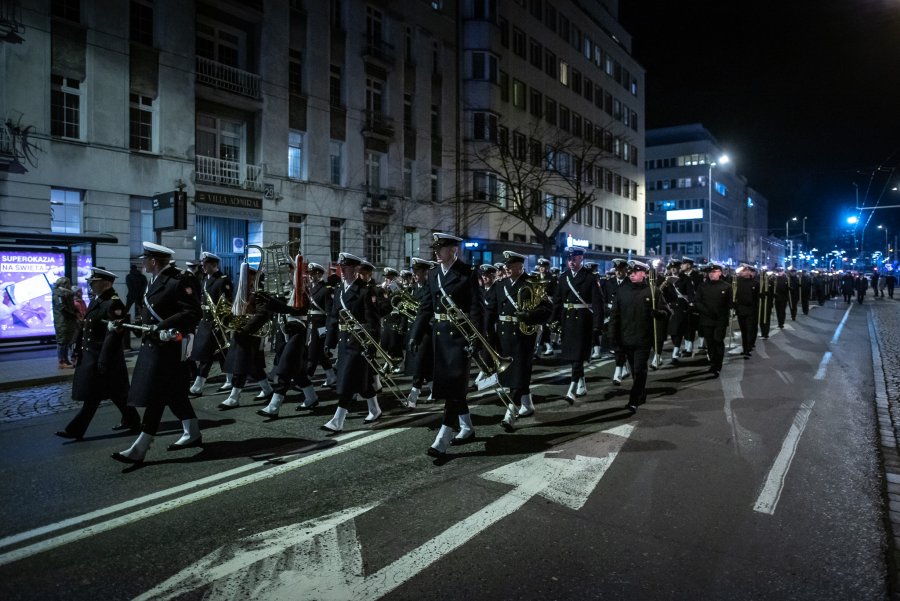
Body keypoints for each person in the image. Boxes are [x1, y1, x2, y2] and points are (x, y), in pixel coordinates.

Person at [112, 242, 203, 464]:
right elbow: (153, 312)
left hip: (168, 349)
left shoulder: (180, 280)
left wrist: (164, 327)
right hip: (154, 346)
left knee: (156, 395)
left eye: (144, 259)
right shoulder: (154, 280)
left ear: (153, 261)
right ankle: (192, 432)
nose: (142, 263)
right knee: (174, 395)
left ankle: (140, 447)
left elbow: (192, 312)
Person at [409, 233, 484, 456]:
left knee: (453, 386)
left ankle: (443, 436)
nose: (436, 252)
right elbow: (426, 308)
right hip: (439, 338)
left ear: (454, 250)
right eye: (435, 249)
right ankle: (468, 428)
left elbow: (475, 309)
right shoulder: (433, 274)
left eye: (441, 248)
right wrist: (416, 333)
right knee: (452, 387)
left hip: (460, 338)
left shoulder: (468, 273)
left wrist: (476, 338)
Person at [56, 268, 140, 440]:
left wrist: (103, 359)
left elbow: (113, 335)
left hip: (104, 357)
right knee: (117, 394)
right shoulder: (99, 300)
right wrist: (78, 348)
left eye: (94, 282)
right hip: (93, 355)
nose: (91, 285)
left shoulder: (113, 303)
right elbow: (86, 327)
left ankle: (75, 430)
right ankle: (132, 420)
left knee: (94, 396)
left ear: (106, 284)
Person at [485, 251, 552, 425]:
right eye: (506, 265)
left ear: (520, 266)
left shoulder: (532, 283)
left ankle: (510, 412)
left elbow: (546, 310)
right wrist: (488, 336)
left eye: (510, 265)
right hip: (503, 335)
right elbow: (491, 312)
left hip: (523, 336)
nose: (506, 268)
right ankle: (527, 404)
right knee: (512, 375)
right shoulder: (500, 285)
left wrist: (529, 315)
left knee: (519, 374)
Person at [320, 252, 382, 432]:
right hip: (343, 340)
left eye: (346, 267)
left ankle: (337, 420)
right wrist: (329, 342)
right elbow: (333, 317)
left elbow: (373, 322)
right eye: (341, 267)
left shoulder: (365, 290)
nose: (343, 271)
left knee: (347, 379)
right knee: (361, 379)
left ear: (356, 269)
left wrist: (371, 345)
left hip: (358, 341)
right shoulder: (339, 289)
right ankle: (375, 409)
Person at [607, 260, 668, 414]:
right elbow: (615, 316)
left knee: (640, 370)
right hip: (626, 337)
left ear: (644, 273)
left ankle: (633, 399)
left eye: (636, 272)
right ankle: (641, 392)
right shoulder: (621, 291)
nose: (632, 274)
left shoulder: (653, 292)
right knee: (635, 371)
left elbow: (667, 312)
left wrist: (659, 313)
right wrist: (612, 336)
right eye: (630, 272)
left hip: (643, 338)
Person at [217, 262, 275, 409]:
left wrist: (246, 328)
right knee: (254, 365)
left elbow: (263, 314)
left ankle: (234, 397)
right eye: (244, 275)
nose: (245, 278)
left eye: (248, 275)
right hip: (239, 331)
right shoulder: (240, 291)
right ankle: (267, 389)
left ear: (254, 277)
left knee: (240, 365)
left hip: (252, 333)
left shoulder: (259, 291)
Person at [550, 246, 604, 402]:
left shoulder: (590, 277)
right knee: (574, 357)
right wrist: (553, 321)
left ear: (581, 259)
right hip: (568, 321)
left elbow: (598, 304)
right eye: (569, 259)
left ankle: (572, 389)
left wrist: (597, 326)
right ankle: (581, 383)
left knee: (578, 357)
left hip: (583, 322)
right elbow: (557, 302)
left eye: (574, 259)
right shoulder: (563, 277)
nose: (571, 262)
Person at [188, 252, 233, 396]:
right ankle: (230, 379)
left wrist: (223, 323)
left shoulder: (222, 280)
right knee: (221, 353)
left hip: (217, 323)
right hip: (205, 322)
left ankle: (198, 384)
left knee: (206, 355)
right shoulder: (205, 279)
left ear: (214, 265)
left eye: (205, 264)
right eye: (202, 264)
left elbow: (226, 303)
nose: (203, 266)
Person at [403, 258, 435, 408]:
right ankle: (435, 390)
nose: (414, 275)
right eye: (413, 271)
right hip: (413, 329)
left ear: (425, 272)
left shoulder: (429, 288)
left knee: (419, 363)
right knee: (425, 365)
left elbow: (427, 311)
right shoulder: (413, 288)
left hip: (425, 331)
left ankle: (413, 396)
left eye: (417, 272)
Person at [695, 262, 733, 377]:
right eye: (709, 272)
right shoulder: (702, 286)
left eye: (714, 272)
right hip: (706, 319)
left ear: (720, 273)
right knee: (710, 342)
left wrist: (731, 308)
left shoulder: (726, 286)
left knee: (718, 340)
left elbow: (729, 303)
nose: (711, 274)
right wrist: (706, 311)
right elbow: (698, 301)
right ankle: (712, 363)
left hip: (720, 320)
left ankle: (718, 365)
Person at [304, 262, 337, 390]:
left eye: (312, 274)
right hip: (312, 324)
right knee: (320, 353)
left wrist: (327, 329)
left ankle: (307, 377)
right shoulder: (311, 288)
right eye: (309, 273)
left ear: (319, 274)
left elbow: (329, 312)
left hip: (321, 326)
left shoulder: (326, 289)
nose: (310, 276)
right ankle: (331, 376)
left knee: (312, 352)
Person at [733, 264, 760, 357]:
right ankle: (745, 348)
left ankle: (748, 349)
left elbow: (756, 298)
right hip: (740, 309)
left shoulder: (755, 283)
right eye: (742, 270)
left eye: (744, 270)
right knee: (743, 331)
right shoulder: (736, 282)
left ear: (749, 272)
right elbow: (734, 295)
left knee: (749, 330)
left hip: (751, 310)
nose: (742, 272)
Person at [52, 276, 79, 368]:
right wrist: (73, 313)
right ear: (64, 284)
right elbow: (62, 307)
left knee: (67, 341)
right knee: (62, 341)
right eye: (68, 283)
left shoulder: (67, 293)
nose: (70, 285)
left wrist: (75, 312)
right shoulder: (58, 294)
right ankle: (61, 361)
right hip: (62, 321)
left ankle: (66, 360)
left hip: (68, 320)